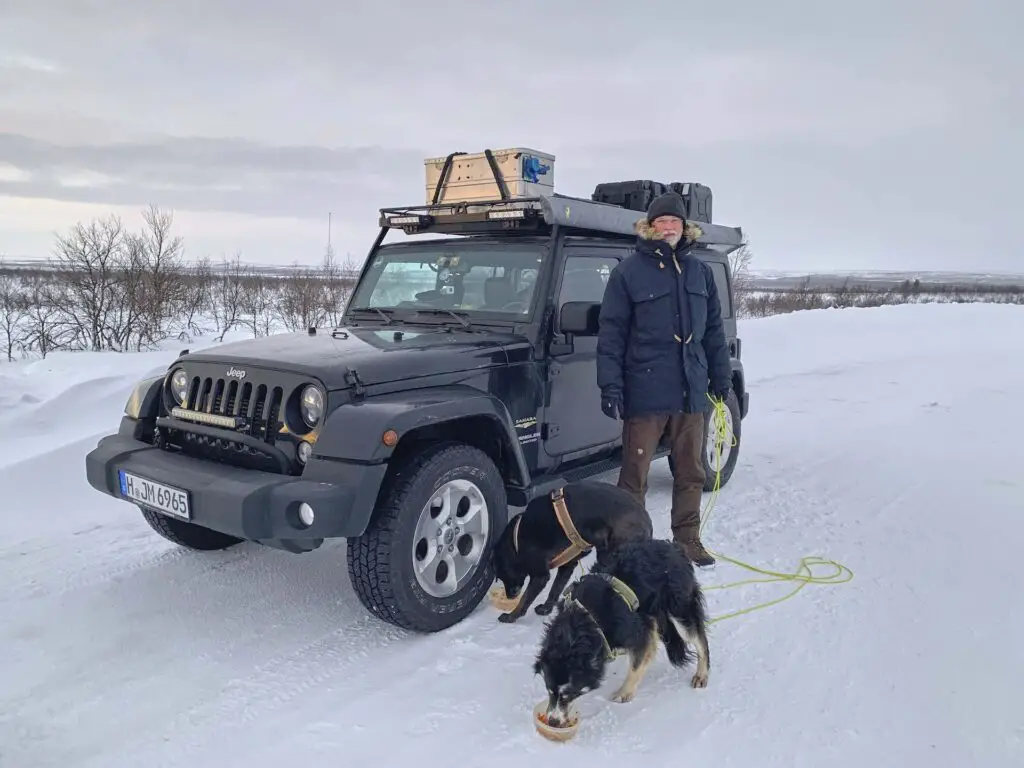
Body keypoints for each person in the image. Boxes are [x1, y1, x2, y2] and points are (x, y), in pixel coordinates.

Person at [596, 191, 732, 567]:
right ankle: (630, 545)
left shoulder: (700, 272)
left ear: (684, 227)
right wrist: (610, 385)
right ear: (650, 227)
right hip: (645, 389)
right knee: (634, 475)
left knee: (691, 471)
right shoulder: (628, 272)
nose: (668, 227)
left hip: (691, 389)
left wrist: (721, 379)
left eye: (674, 221)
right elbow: (611, 333)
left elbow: (714, 334)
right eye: (661, 222)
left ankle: (687, 540)